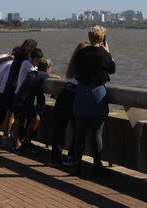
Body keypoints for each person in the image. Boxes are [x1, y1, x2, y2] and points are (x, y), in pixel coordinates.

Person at [70, 26, 115, 177]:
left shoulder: (81, 53)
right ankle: (97, 165)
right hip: (98, 94)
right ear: (102, 39)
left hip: (82, 92)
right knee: (97, 132)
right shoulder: (104, 54)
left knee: (79, 133)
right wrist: (107, 52)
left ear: (89, 38)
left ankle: (76, 165)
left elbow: (75, 70)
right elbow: (112, 69)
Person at [49, 41, 90, 165]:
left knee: (59, 128)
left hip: (66, 93)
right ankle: (72, 157)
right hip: (76, 95)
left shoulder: (73, 64)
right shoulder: (86, 64)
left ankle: (56, 158)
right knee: (78, 129)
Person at [10, 52, 60, 152]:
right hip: (24, 100)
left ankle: (16, 143)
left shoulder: (33, 72)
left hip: (18, 97)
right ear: (47, 68)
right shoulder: (42, 74)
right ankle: (26, 143)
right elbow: (56, 78)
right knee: (35, 119)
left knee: (18, 120)